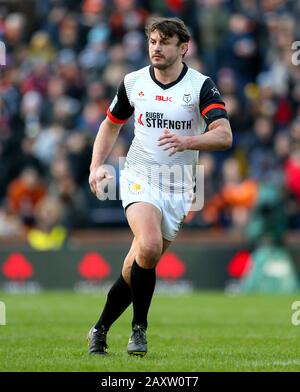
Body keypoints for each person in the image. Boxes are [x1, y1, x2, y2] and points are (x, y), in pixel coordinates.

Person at [88, 16, 232, 356]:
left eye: (165, 42)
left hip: (179, 186)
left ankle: (99, 329)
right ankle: (139, 330)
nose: (157, 48)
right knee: (149, 246)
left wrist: (188, 141)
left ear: (183, 48)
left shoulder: (200, 86)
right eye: (153, 41)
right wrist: (96, 166)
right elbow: (110, 125)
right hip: (139, 175)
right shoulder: (133, 82)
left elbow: (225, 135)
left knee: (135, 264)